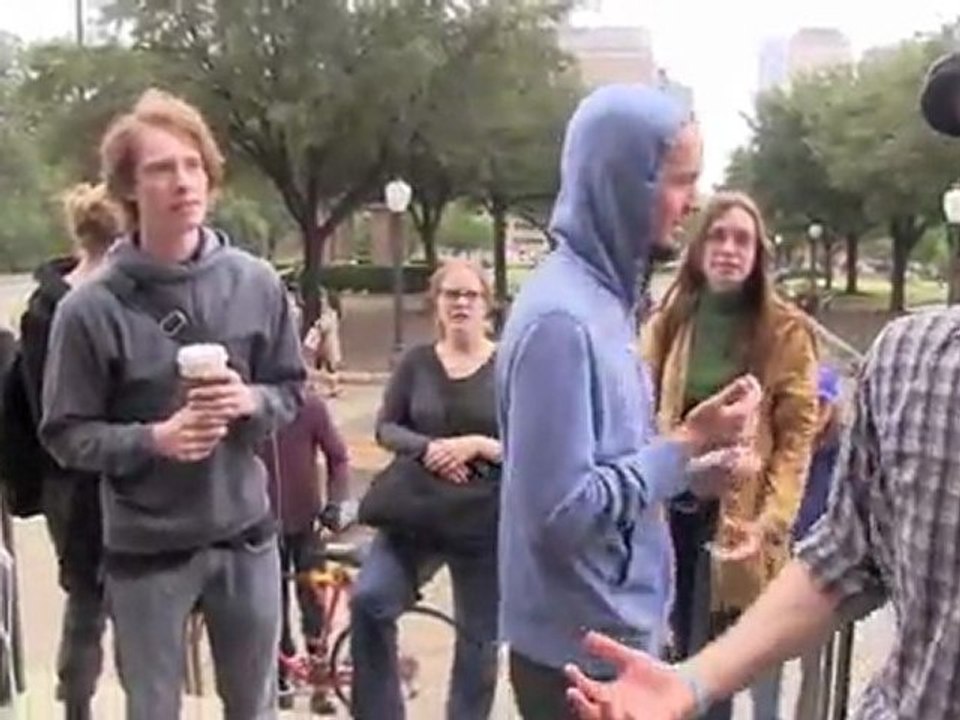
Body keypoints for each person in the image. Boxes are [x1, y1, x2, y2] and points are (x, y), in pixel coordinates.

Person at [495, 84, 763, 720]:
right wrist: (684, 445)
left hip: (611, 643)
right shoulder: (561, 322)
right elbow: (559, 514)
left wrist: (691, 473)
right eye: (678, 181)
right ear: (624, 182)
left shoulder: (607, 305)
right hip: (581, 662)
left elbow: (605, 471)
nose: (691, 202)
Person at [39, 89, 305, 719]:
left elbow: (291, 389)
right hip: (146, 554)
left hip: (245, 540)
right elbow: (65, 434)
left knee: (255, 708)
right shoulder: (89, 311)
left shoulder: (256, 283)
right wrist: (153, 440)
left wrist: (251, 401)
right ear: (128, 188)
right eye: (161, 168)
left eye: (193, 165)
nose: (183, 181)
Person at [566, 307, 960, 720]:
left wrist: (770, 521)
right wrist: (691, 682)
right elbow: (846, 552)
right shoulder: (908, 359)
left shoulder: (787, 343)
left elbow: (793, 448)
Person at [641, 191, 819, 719]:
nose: (728, 249)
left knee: (717, 672)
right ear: (698, 249)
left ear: (758, 254)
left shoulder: (786, 330)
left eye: (742, 239)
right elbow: (639, 402)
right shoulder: (671, 318)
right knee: (663, 653)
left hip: (738, 522)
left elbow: (795, 438)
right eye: (717, 236)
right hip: (668, 504)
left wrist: (770, 523)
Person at [351, 259, 501, 720]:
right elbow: (387, 428)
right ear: (435, 303)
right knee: (370, 602)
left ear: (486, 305)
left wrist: (477, 445)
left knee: (479, 641)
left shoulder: (509, 364)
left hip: (483, 521)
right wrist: (428, 448)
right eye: (450, 294)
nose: (460, 303)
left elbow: (534, 443)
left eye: (470, 295)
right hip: (415, 513)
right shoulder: (416, 363)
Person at [18, 183, 121, 720]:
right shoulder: (102, 303)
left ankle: (75, 708)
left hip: (62, 478)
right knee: (132, 603)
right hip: (103, 474)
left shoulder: (40, 307)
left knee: (83, 603)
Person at [259, 372, 351, 712]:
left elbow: (338, 457)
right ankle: (279, 676)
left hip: (306, 523)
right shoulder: (252, 412)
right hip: (261, 526)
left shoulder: (310, 407)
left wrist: (336, 504)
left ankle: (320, 679)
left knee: (313, 602)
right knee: (271, 605)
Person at [791, 364, 843, 720]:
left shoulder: (842, 453)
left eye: (822, 404)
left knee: (815, 662)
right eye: (809, 404)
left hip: (821, 568)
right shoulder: (788, 445)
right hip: (782, 563)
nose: (815, 414)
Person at [304, 287, 343, 397]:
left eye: (324, 299)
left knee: (329, 367)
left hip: (327, 345)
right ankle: (318, 386)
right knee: (322, 365)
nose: (322, 301)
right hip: (324, 344)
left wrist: (317, 325)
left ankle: (333, 387)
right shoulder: (330, 313)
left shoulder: (330, 314)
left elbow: (324, 325)